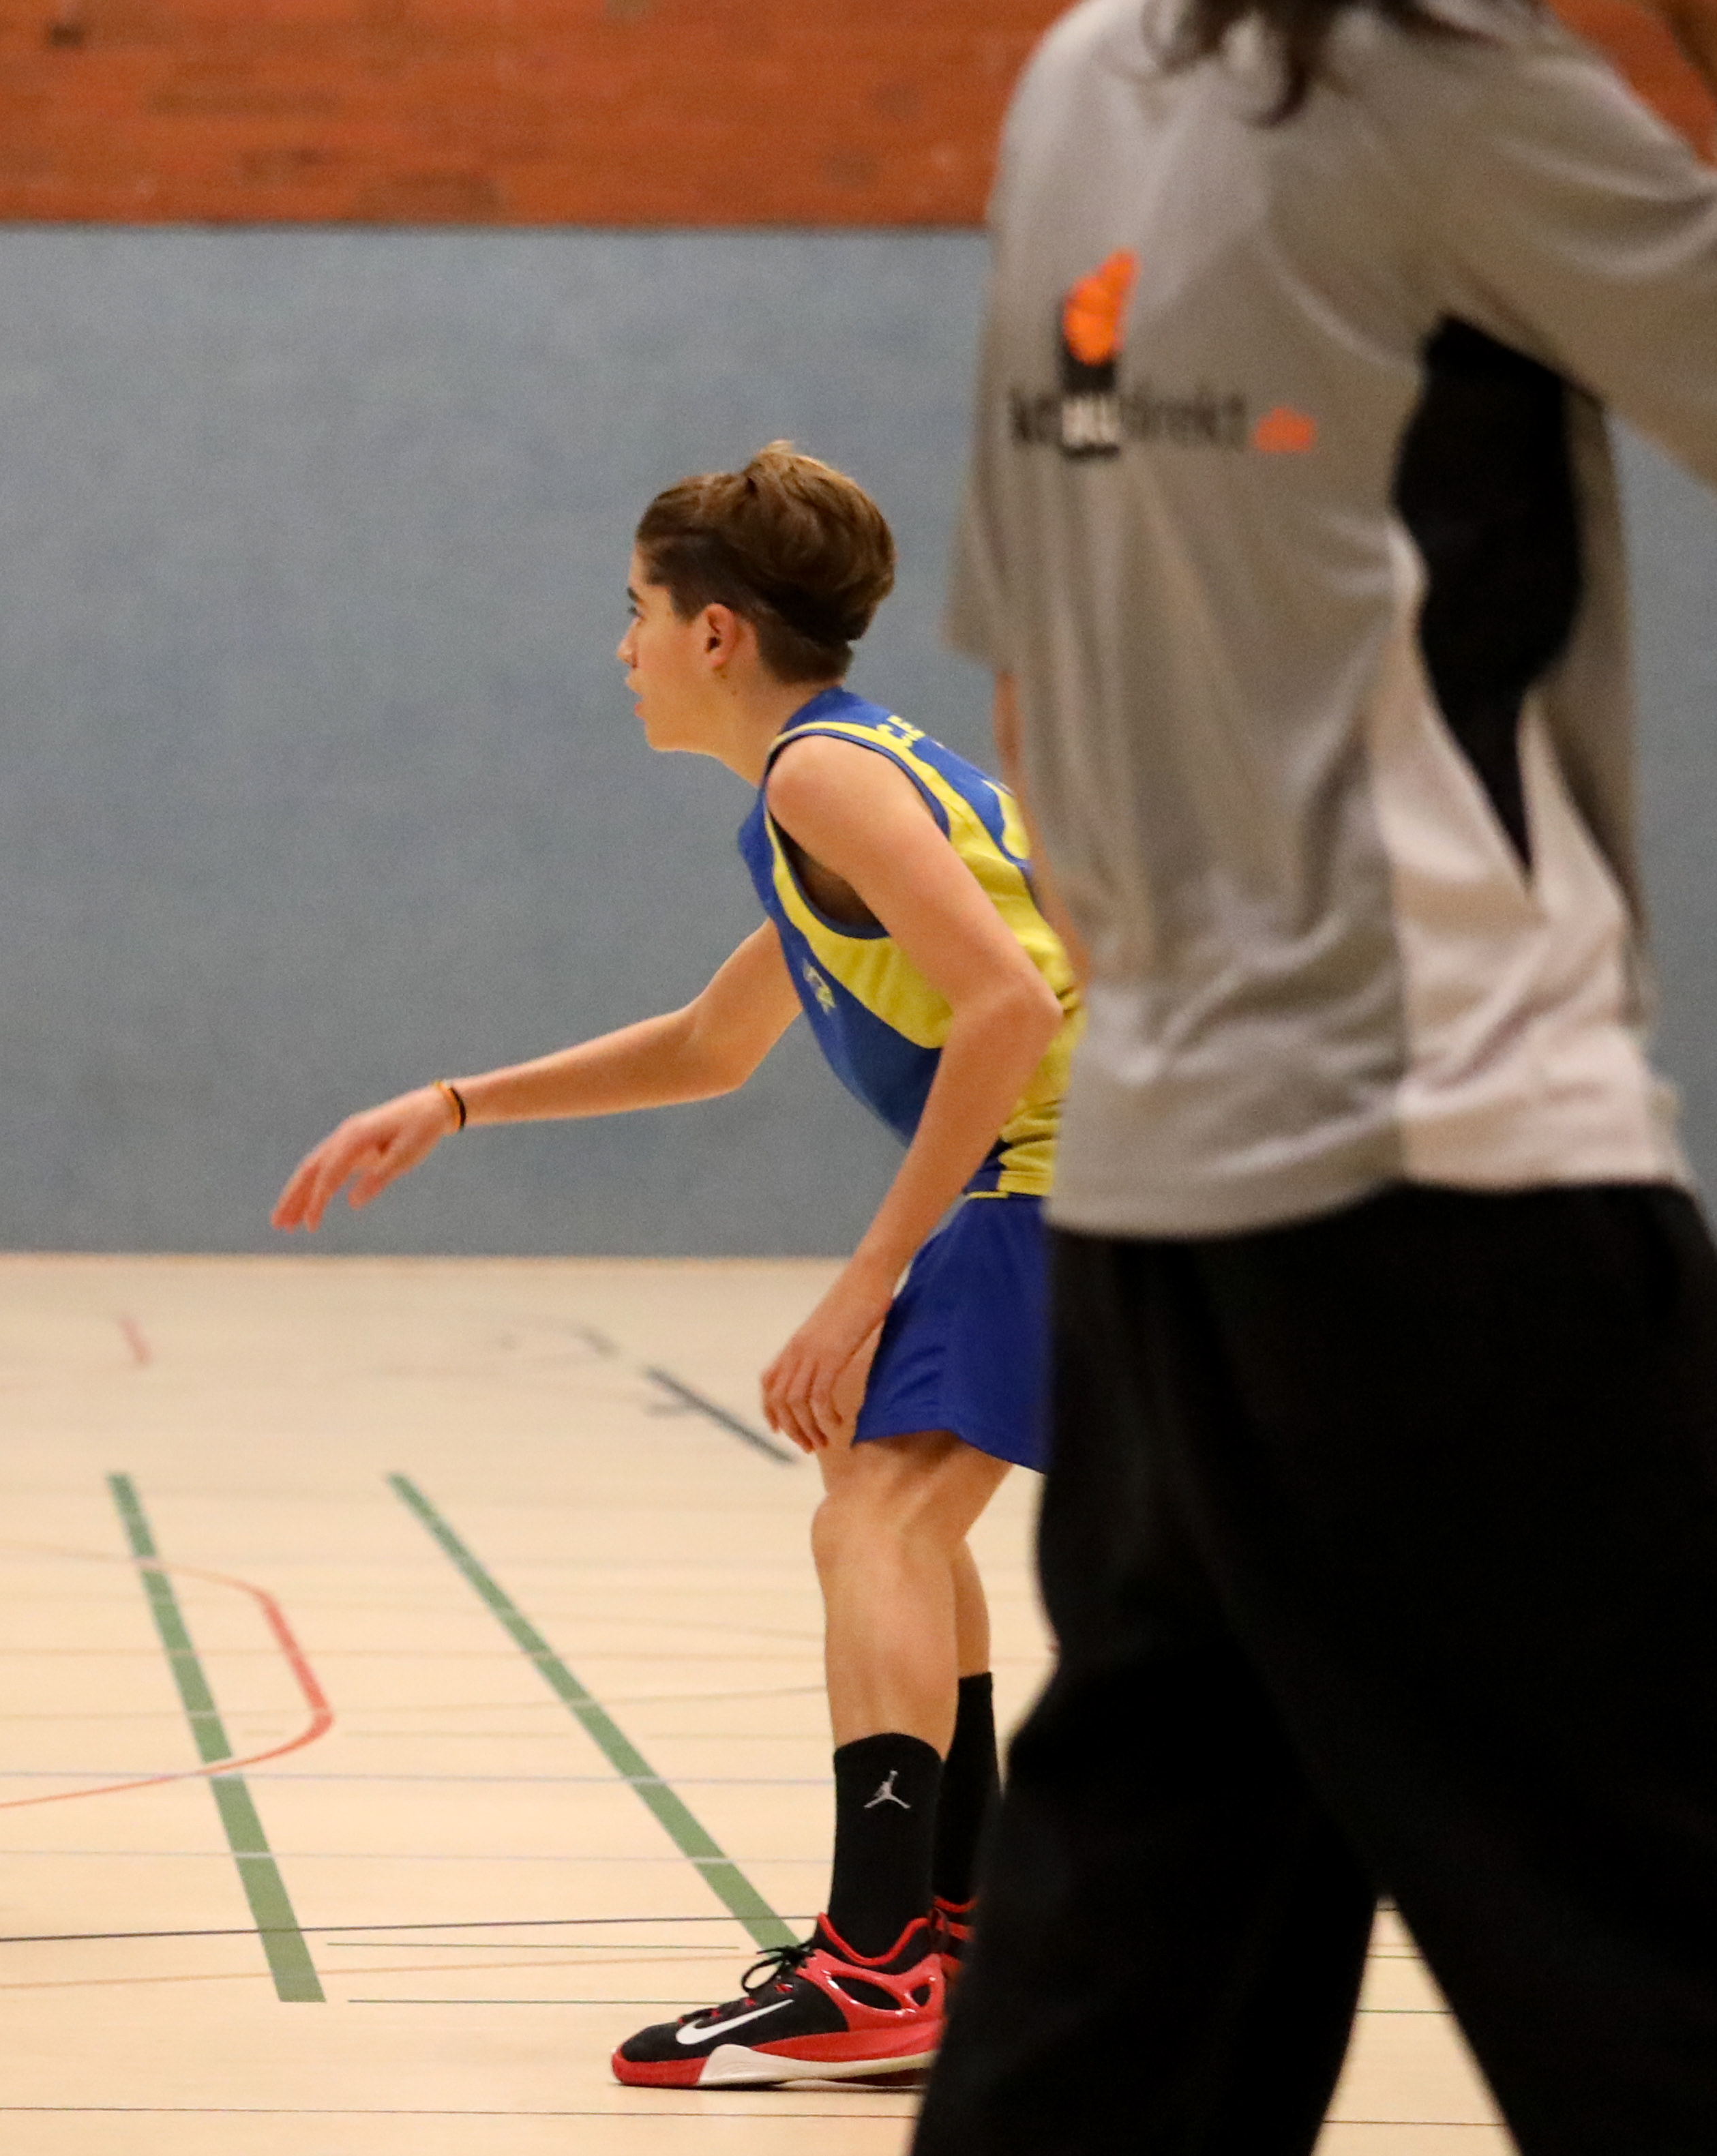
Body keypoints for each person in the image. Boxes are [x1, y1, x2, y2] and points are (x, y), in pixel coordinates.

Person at [914, 4, 1717, 2148]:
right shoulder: (1459, 93)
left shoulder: (1081, 84)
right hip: (1452, 1178)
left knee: (1125, 2006)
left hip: (1162, 1210)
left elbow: (1019, 665)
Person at [274, 444, 1079, 2086]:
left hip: (1067, 1172)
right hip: (1078, 1171)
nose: (621, 645)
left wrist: (866, 1277)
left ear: (714, 633)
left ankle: (874, 1966)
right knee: (887, 1501)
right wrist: (454, 1102)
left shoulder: (819, 778)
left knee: (873, 1515)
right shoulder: (845, 774)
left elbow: (1005, 1007)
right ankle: (958, 1921)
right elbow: (714, 1043)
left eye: (634, 610)